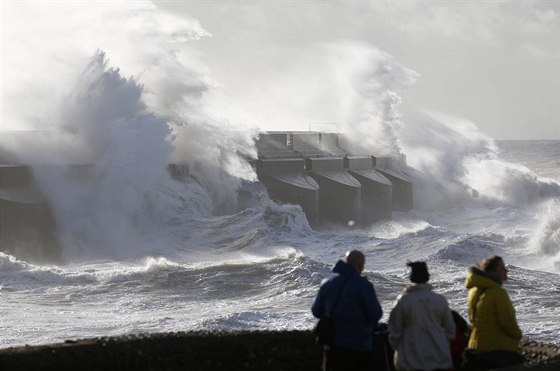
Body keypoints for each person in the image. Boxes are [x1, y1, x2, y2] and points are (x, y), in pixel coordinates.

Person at [311, 250, 383, 371]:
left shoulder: (327, 283)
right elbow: (375, 314)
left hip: (333, 346)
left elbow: (316, 311)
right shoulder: (363, 285)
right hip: (360, 346)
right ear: (360, 266)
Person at [387, 261, 455, 371]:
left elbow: (394, 332)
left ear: (411, 277)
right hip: (439, 359)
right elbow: (450, 331)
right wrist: (440, 342)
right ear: (427, 276)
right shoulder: (439, 300)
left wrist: (401, 349)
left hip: (410, 361)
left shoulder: (404, 300)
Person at [463, 255, 524, 369]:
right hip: (494, 349)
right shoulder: (498, 293)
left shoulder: (473, 291)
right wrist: (518, 336)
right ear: (492, 271)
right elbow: (508, 322)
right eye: (502, 268)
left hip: (475, 346)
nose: (506, 270)